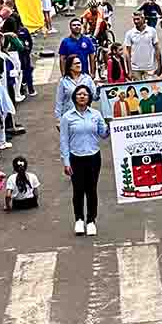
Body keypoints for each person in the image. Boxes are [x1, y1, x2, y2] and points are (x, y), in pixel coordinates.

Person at [59, 85, 109, 237]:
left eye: (85, 94)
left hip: (93, 157)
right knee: (78, 190)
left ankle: (91, 220)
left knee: (92, 190)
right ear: (74, 97)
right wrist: (66, 162)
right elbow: (64, 141)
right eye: (79, 94)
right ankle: (79, 219)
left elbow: (103, 134)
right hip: (76, 158)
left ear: (89, 98)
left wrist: (111, 125)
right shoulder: (67, 117)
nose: (82, 96)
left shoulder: (96, 114)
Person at [124, 11, 161, 81]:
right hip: (135, 69)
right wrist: (129, 70)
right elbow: (127, 53)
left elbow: (157, 49)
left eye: (138, 19)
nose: (136, 21)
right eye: (134, 19)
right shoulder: (129, 33)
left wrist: (159, 66)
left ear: (143, 19)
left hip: (149, 68)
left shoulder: (152, 31)